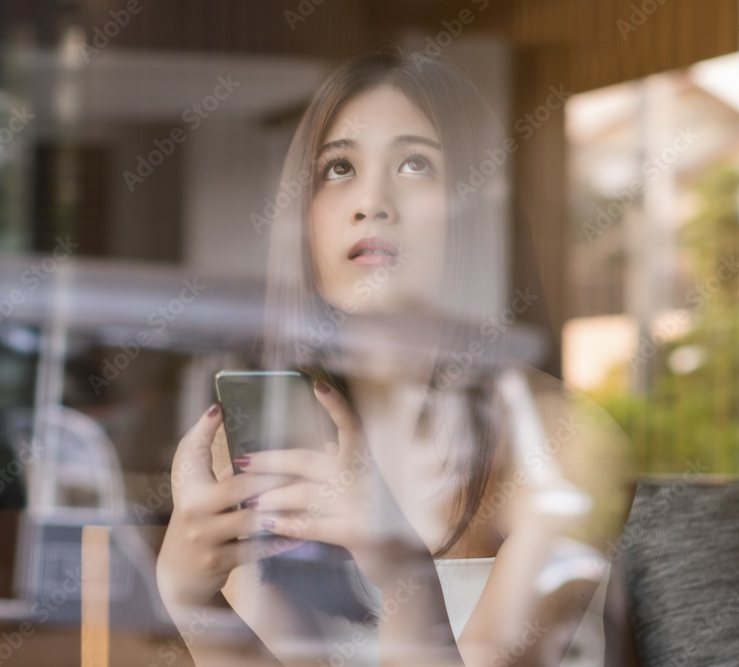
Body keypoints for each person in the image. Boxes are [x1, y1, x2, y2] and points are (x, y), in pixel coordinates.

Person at [156, 49, 636, 666]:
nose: (372, 202)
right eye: (338, 168)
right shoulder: (254, 444)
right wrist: (193, 605)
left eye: (415, 164)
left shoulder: (567, 439)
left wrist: (400, 569)